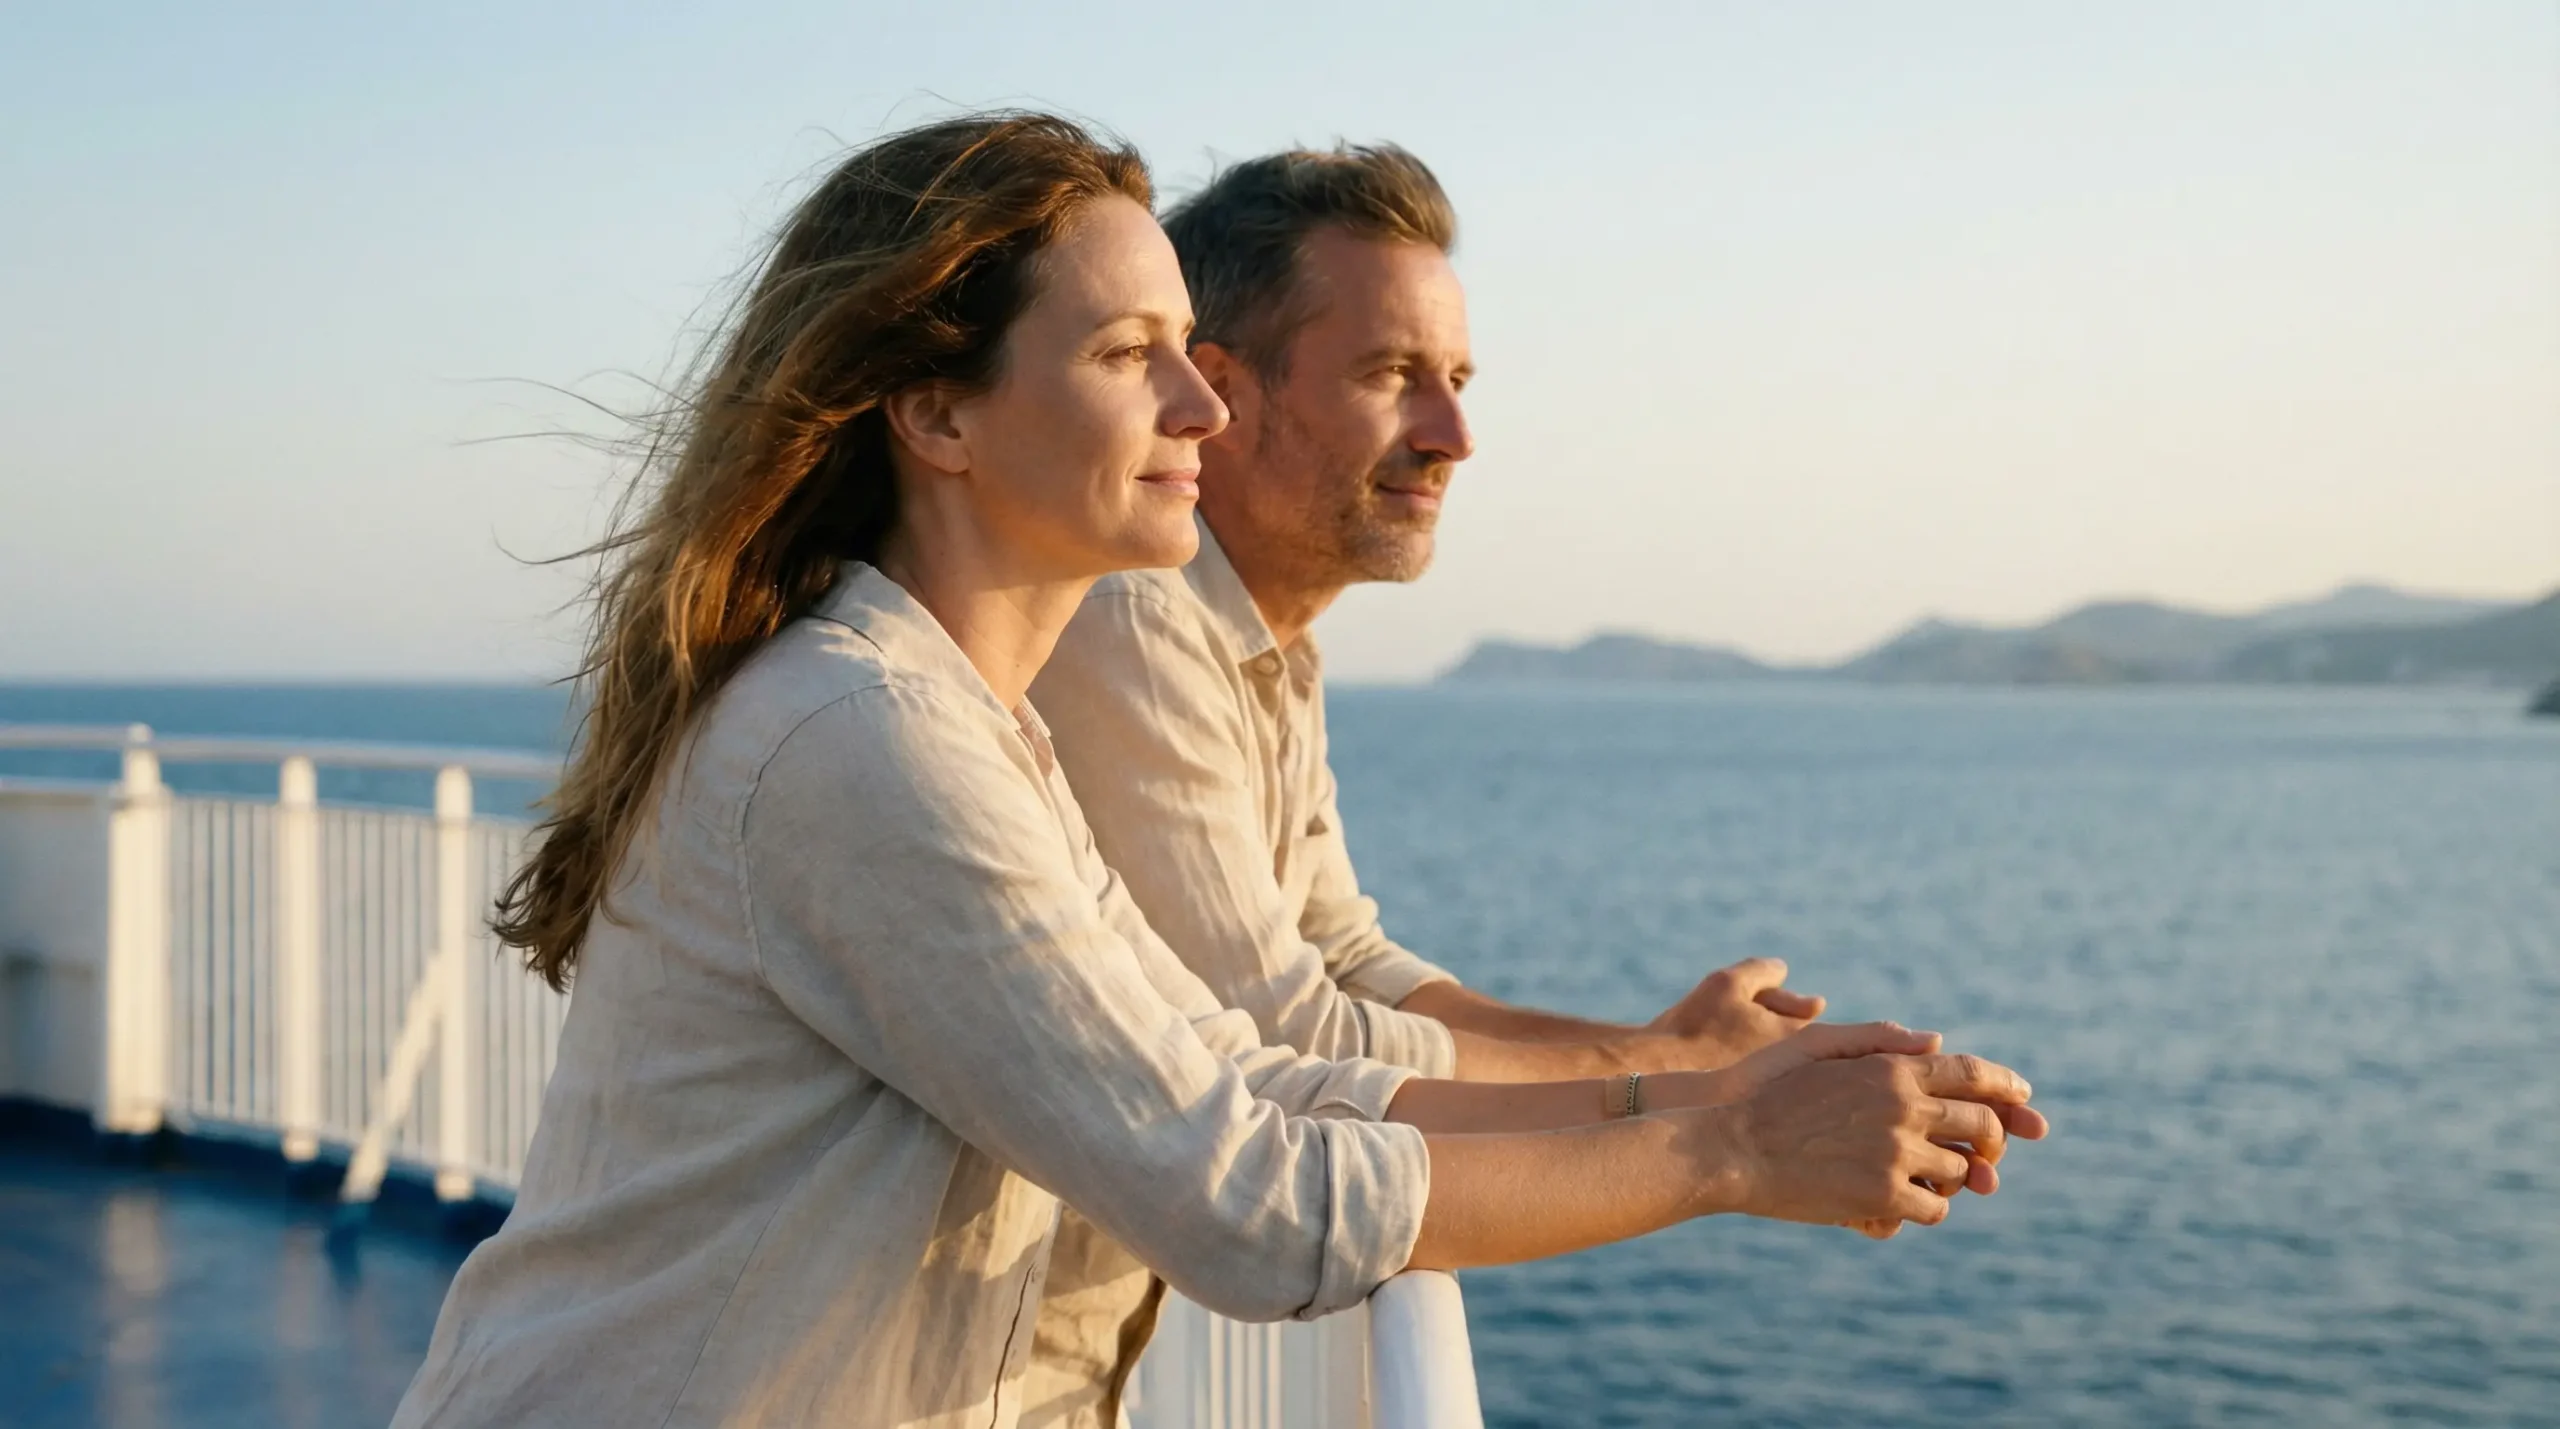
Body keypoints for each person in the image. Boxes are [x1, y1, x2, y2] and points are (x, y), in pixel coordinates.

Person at [391, 113, 2041, 1429]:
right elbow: (1244, 1189)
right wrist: (1722, 1149)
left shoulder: (978, 727)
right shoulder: (864, 737)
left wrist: (1706, 1089)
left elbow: (1228, 1066)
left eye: (1192, 347)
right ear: (937, 412)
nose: (1201, 401)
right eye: (1131, 352)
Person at [1031, 144, 1820, 1094]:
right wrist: (1674, 1082)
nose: (1453, 436)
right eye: (1393, 375)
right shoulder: (1133, 618)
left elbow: (1348, 959)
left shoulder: (1272, 635)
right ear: (1222, 392)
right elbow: (1278, 1029)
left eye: (1457, 380)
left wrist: (1676, 1046)